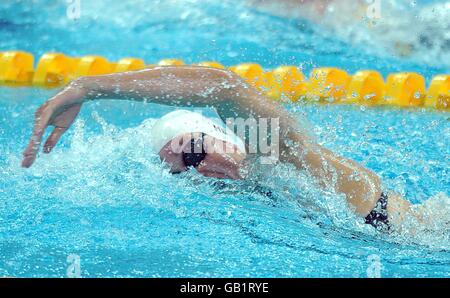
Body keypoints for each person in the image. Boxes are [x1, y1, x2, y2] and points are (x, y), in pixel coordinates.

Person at [22, 65, 423, 232]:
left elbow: (223, 85)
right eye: (182, 171)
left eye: (194, 152)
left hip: (421, 235)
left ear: (224, 133)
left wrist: (89, 87)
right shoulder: (255, 190)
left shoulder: (273, 149)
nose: (199, 170)